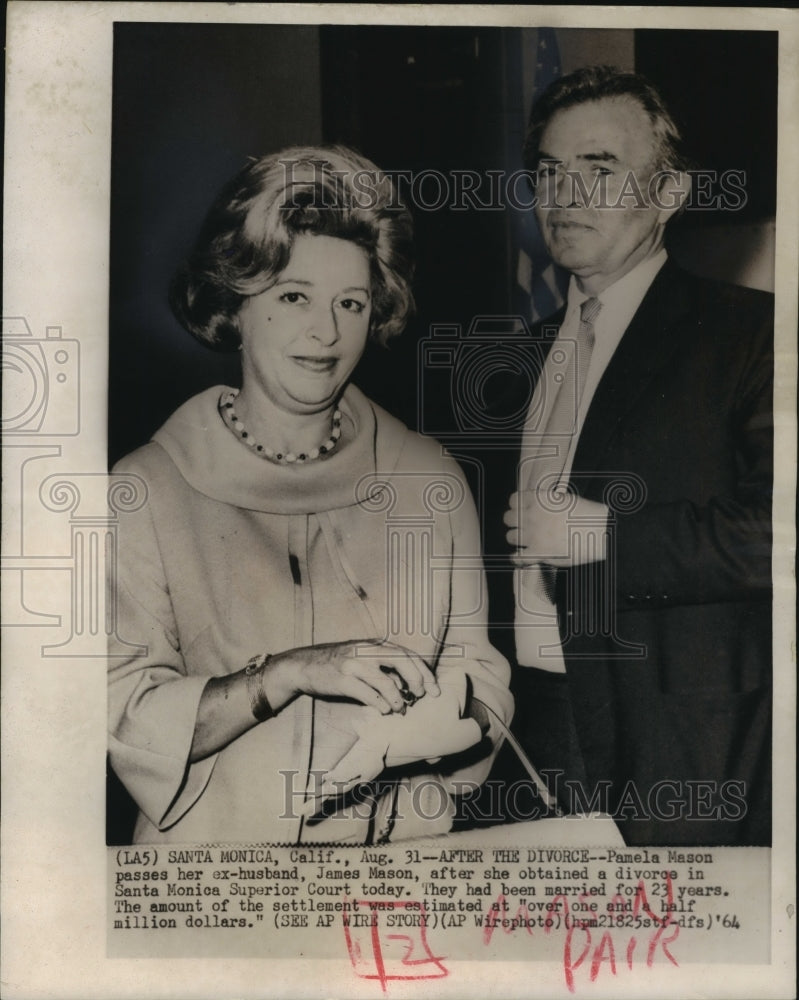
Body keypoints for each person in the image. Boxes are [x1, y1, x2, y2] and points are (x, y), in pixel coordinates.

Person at [107, 145, 513, 845]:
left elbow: (478, 675)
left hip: (397, 889)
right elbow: (119, 714)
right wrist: (284, 676)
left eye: (350, 303)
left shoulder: (431, 482)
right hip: (217, 889)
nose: (325, 333)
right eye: (294, 296)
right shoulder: (144, 491)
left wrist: (459, 715)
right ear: (236, 302)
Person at [485, 66, 772, 845]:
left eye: (599, 170)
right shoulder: (518, 359)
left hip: (681, 752)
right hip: (526, 741)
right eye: (549, 171)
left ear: (669, 194)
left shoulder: (750, 335)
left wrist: (602, 539)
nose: (564, 194)